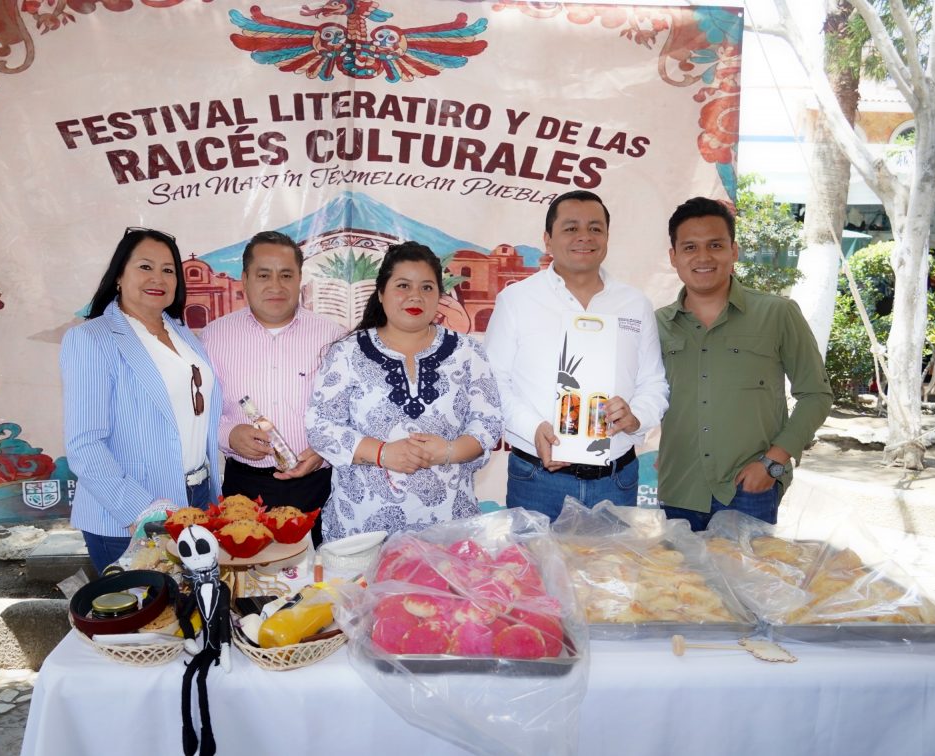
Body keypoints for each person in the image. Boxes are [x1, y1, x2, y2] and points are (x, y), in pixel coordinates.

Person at [483, 190, 669, 521]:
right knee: (536, 571)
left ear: (607, 237)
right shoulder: (517, 300)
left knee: (607, 572)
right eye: (571, 228)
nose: (584, 236)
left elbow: (654, 382)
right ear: (548, 240)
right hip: (537, 479)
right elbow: (494, 381)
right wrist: (533, 428)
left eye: (595, 228)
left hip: (616, 480)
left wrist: (636, 415)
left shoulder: (635, 304)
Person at [655, 197, 833, 531]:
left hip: (749, 487)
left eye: (716, 245)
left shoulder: (777, 313)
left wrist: (773, 462)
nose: (703, 257)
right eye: (690, 247)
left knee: (745, 583)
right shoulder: (657, 325)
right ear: (674, 257)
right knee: (679, 582)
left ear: (734, 251)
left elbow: (816, 395)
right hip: (680, 486)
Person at [306, 241, 503, 540]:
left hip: (449, 525)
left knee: (440, 587)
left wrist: (448, 451)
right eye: (403, 285)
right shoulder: (347, 353)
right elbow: (320, 426)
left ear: (440, 296)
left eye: (427, 287)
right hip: (362, 529)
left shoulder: (468, 352)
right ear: (381, 293)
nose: (415, 296)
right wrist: (383, 453)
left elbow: (488, 424)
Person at [61, 227, 222, 572]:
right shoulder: (92, 339)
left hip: (196, 498)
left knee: (187, 615)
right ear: (119, 274)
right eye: (145, 267)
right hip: (127, 515)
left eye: (168, 270)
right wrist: (141, 511)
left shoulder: (182, 334)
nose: (158, 278)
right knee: (143, 619)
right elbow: (84, 444)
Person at [200, 231, 344, 547]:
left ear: (300, 280)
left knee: (318, 585)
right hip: (245, 488)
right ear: (245, 279)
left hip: (319, 484)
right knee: (249, 587)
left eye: (286, 275)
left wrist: (324, 451)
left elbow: (350, 412)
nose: (276, 286)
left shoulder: (333, 337)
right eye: (264, 275)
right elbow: (196, 415)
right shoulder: (212, 338)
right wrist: (228, 434)